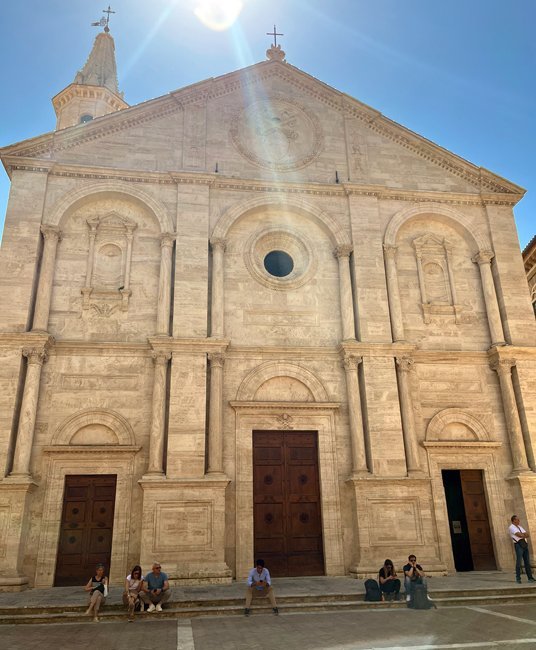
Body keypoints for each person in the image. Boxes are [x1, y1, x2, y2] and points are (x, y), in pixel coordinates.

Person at [509, 515, 536, 584]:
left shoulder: (520, 527)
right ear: (514, 520)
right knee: (519, 561)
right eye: (517, 520)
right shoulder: (511, 527)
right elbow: (519, 535)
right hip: (518, 545)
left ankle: (530, 578)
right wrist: (523, 535)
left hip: (524, 544)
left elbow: (527, 534)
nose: (519, 521)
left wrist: (523, 535)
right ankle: (518, 578)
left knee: (527, 562)